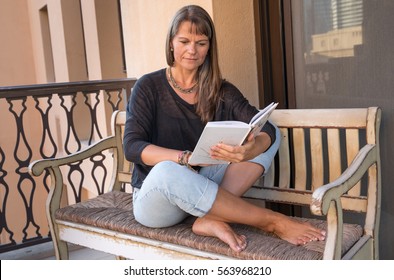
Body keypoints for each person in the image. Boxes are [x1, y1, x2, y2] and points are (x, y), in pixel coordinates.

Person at [123, 5, 325, 252]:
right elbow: (132, 147)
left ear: (209, 48)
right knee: (168, 170)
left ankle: (210, 218)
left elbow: (266, 130)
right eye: (184, 41)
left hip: (201, 184)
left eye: (201, 43)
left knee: (268, 132)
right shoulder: (148, 86)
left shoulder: (221, 90)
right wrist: (185, 159)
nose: (192, 50)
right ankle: (273, 221)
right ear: (171, 44)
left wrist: (249, 150)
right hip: (156, 200)